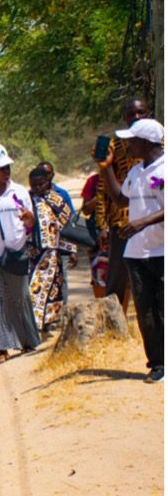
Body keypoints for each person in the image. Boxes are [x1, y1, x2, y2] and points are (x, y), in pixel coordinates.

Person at [99, 117, 164, 383]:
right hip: (137, 253)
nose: (127, 144)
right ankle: (158, 364)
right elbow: (119, 198)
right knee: (146, 310)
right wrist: (105, 169)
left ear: (146, 142)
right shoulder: (137, 171)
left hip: (162, 251)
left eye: (132, 140)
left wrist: (140, 223)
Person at [0, 142, 40, 363]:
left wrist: (29, 219)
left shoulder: (20, 192)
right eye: (1, 167)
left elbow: (31, 220)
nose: (6, 171)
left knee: (21, 296)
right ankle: (2, 348)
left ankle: (28, 340)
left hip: (17, 252)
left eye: (7, 167)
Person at [96, 98, 152, 307]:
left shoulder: (161, 142)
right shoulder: (115, 145)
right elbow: (103, 188)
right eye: (131, 114)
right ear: (124, 117)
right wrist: (102, 224)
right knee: (118, 276)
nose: (136, 117)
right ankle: (114, 325)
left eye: (141, 112)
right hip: (123, 221)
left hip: (157, 219)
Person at [28, 167, 78, 333]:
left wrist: (71, 251)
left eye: (40, 184)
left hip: (52, 252)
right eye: (33, 185)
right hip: (32, 252)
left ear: (48, 183)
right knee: (33, 287)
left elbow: (68, 227)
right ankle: (34, 325)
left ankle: (49, 322)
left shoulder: (56, 200)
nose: (37, 188)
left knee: (53, 288)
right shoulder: (26, 200)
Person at [79, 173, 108, 298]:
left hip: (120, 233)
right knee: (99, 275)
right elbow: (85, 210)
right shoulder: (93, 181)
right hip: (98, 236)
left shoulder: (126, 177)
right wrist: (100, 195)